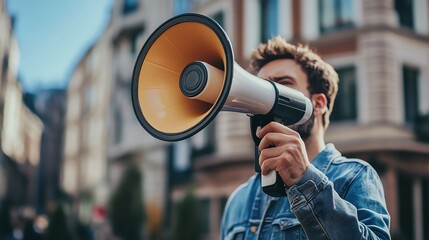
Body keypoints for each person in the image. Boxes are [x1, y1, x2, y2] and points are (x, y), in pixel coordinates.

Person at [220, 36, 390, 239]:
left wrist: (305, 180)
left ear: (318, 103)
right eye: (260, 86)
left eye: (283, 84)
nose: (263, 98)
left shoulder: (354, 177)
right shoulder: (239, 199)